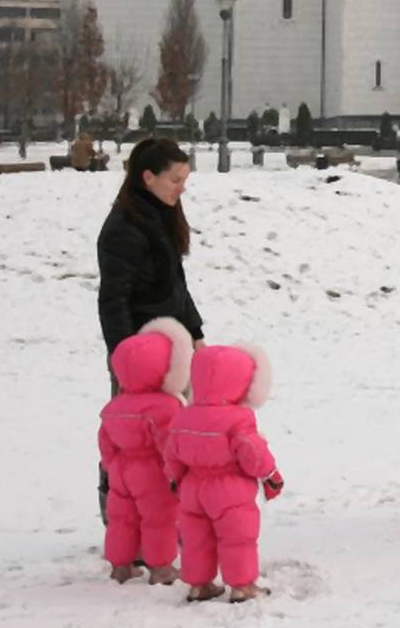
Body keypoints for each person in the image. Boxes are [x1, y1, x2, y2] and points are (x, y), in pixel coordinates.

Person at [95, 138, 205, 523]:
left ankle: (167, 515)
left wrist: (195, 330)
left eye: (185, 179)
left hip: (174, 347)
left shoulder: (163, 214)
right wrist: (124, 359)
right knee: (129, 439)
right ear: (148, 178)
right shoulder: (123, 229)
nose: (182, 187)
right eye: (175, 179)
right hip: (140, 354)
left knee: (175, 432)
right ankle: (121, 520)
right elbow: (113, 300)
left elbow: (177, 284)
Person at [167, 343, 282, 604]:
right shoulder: (239, 418)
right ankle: (242, 586)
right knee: (237, 538)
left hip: (193, 487)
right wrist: (270, 474)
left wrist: (175, 478)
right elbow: (252, 452)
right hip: (230, 488)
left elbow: (171, 452)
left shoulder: (185, 416)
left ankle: (200, 585)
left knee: (196, 539)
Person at [98, 317, 192, 586]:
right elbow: (169, 444)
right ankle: (160, 566)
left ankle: (120, 566)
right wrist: (176, 472)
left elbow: (105, 441)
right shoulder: (165, 406)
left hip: (120, 471)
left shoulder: (115, 406)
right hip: (152, 472)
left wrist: (112, 465)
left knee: (122, 519)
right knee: (158, 519)